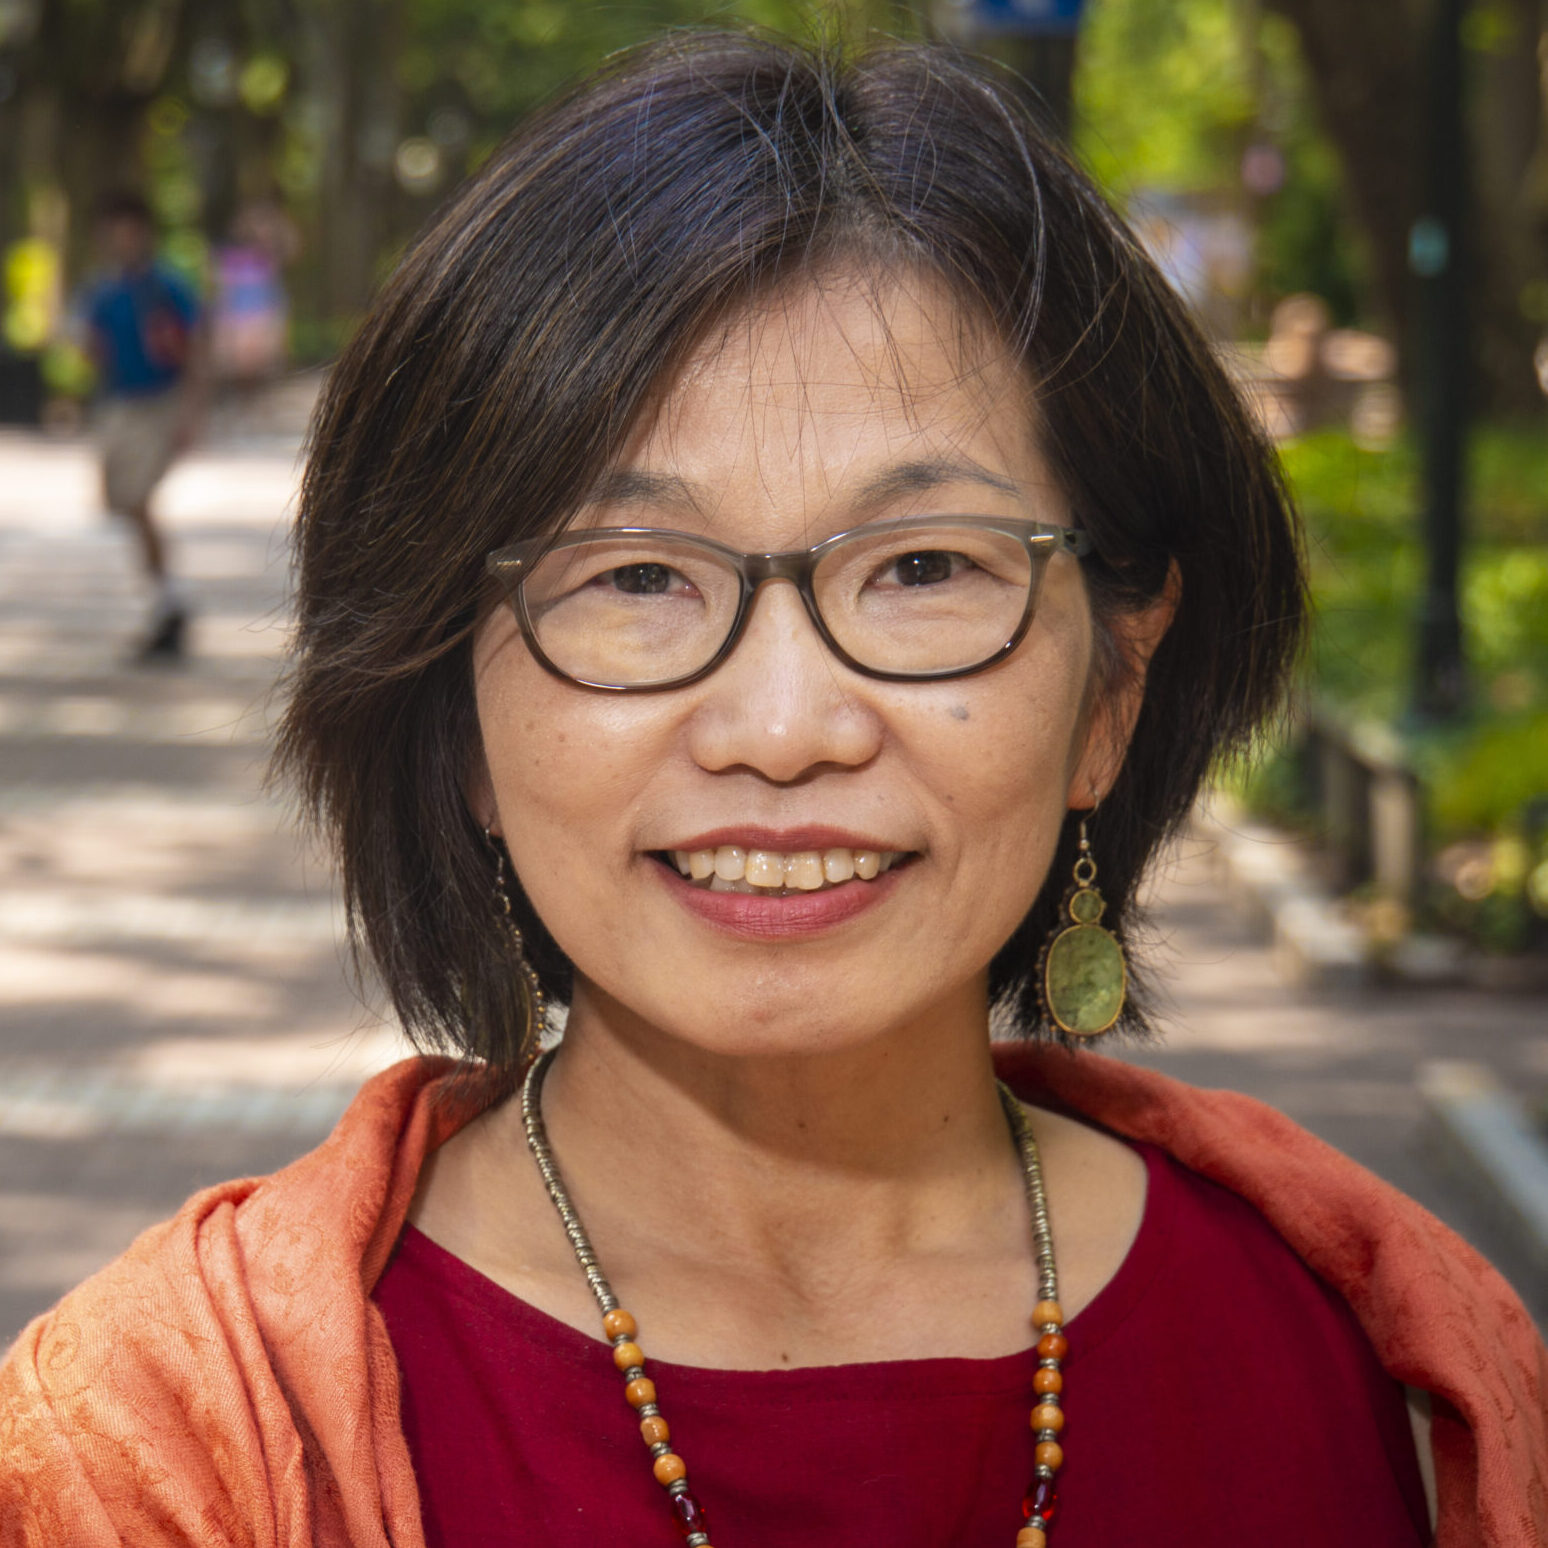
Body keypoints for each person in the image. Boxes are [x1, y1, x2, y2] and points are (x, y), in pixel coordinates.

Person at [2, 33, 1544, 1547]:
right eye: (637, 578)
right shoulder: (160, 1453)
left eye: (925, 567)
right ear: (455, 720)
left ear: (1113, 692)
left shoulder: (1393, 1379)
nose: (785, 727)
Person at [82, 192, 203, 660]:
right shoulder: (103, 291)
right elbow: (94, 349)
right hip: (119, 405)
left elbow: (194, 349)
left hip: (160, 403)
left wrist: (193, 413)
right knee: (118, 501)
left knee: (136, 497)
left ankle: (169, 605)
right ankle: (167, 601)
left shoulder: (168, 287)